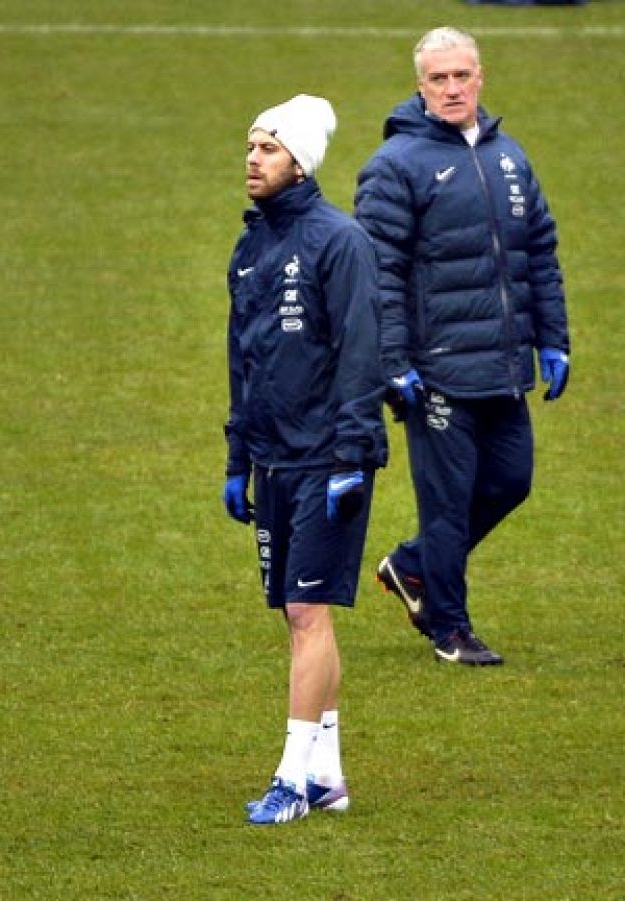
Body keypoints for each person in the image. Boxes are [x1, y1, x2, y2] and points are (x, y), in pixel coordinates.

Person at [355, 27, 571, 666]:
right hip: (436, 370)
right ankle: (449, 627)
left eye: (461, 76)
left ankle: (413, 567)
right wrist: (393, 364)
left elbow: (539, 254)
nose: (451, 88)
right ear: (420, 86)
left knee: (511, 481)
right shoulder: (394, 166)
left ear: (480, 78)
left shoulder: (511, 157)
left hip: (504, 362)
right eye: (437, 79)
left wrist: (553, 339)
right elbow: (377, 276)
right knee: (447, 505)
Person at [223, 95, 387, 825]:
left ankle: (291, 777)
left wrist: (353, 452)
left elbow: (361, 351)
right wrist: (238, 455)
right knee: (300, 619)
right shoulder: (251, 246)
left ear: (299, 159)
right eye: (251, 145)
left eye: (267, 146)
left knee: (306, 606)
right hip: (274, 457)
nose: (252, 158)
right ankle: (328, 772)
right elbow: (244, 361)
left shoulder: (339, 241)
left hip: (329, 454)